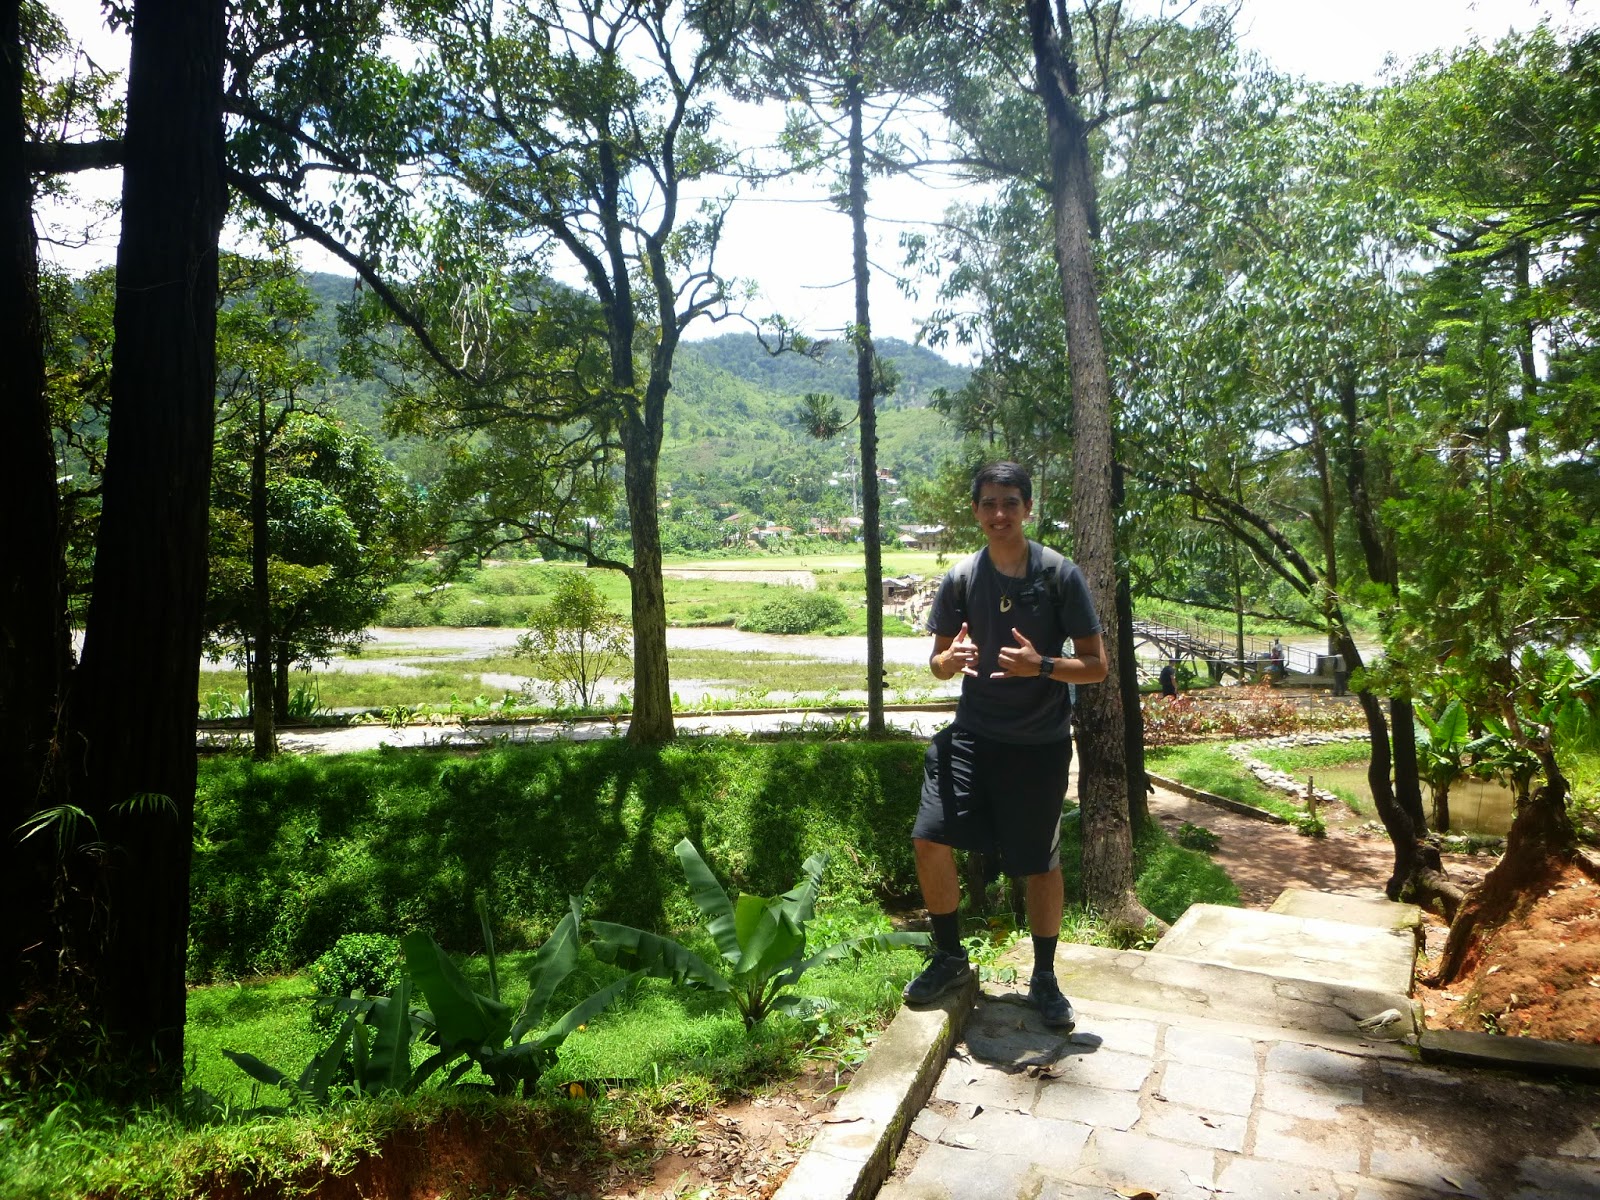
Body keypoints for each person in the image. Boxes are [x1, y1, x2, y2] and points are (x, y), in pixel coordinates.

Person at [902, 462, 1106, 1030]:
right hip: (973, 735)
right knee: (928, 838)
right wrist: (949, 660)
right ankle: (950, 956)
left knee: (1040, 864)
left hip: (1039, 744)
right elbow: (938, 663)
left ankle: (1044, 976)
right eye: (989, 503)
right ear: (975, 511)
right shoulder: (962, 578)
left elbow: (1097, 667)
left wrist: (1041, 665)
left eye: (1010, 503)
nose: (999, 514)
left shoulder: (1060, 575)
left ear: (1028, 508)